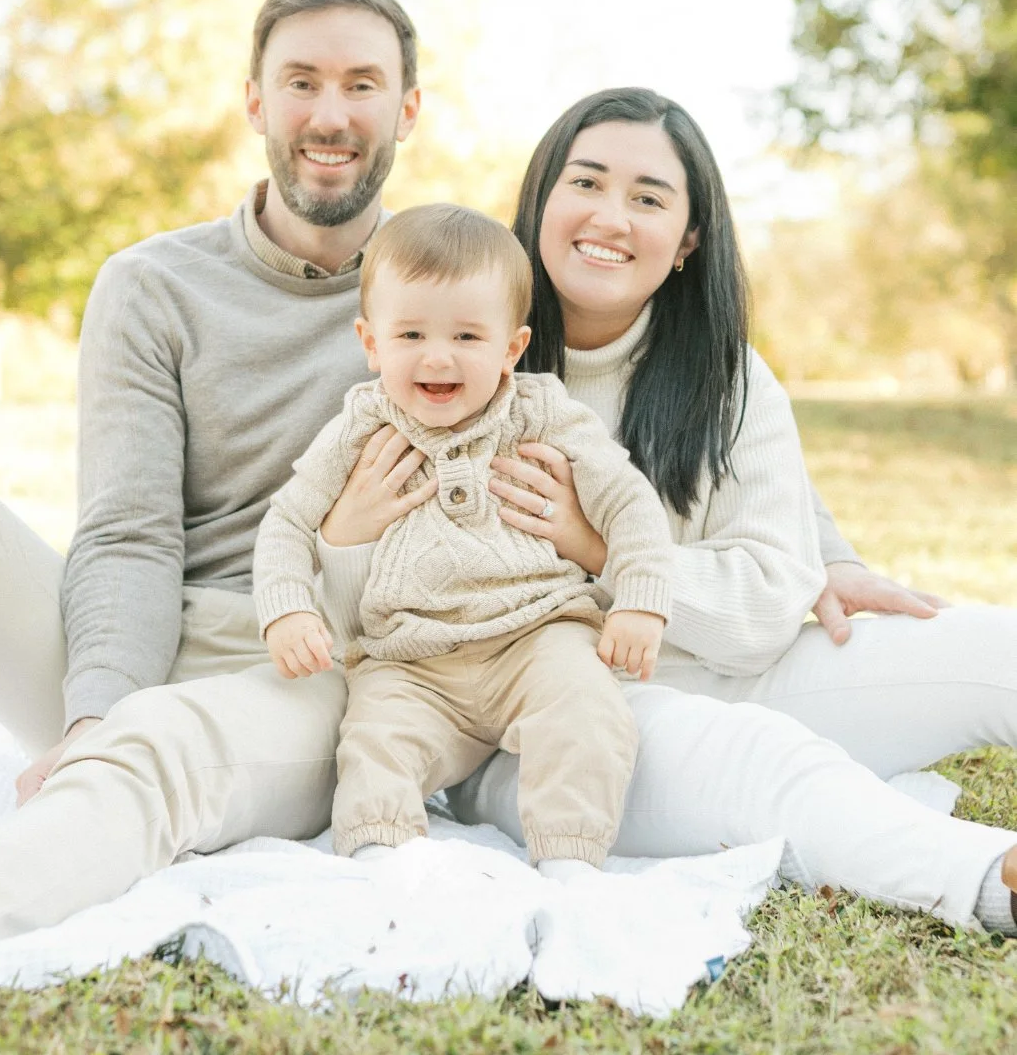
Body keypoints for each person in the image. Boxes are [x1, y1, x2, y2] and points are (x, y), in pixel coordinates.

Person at [0, 0, 1002, 972]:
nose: (330, 115)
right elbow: (127, 534)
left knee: (165, 752)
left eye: (362, 84)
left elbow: (700, 446)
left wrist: (823, 554)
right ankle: (83, 779)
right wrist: (92, 709)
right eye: (301, 82)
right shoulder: (220, 289)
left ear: (407, 111)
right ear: (254, 101)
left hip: (391, 660)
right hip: (233, 634)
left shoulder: (471, 297)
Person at [317, 88, 1017, 935]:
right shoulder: (446, 366)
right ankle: (987, 878)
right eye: (587, 183)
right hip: (545, 724)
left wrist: (594, 544)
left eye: (648, 198)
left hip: (725, 663)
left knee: (994, 645)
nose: (610, 217)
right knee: (766, 764)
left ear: (687, 240)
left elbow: (762, 607)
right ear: (539, 202)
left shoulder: (730, 380)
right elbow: (366, 597)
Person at [255, 204, 669, 874]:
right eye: (411, 333)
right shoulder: (359, 425)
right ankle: (385, 863)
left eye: (468, 337)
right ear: (371, 342)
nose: (438, 356)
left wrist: (641, 600)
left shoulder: (541, 412)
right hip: (409, 661)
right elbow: (287, 521)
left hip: (536, 637)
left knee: (587, 713)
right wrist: (287, 608)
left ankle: (569, 861)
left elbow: (628, 501)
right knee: (373, 743)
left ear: (511, 347)